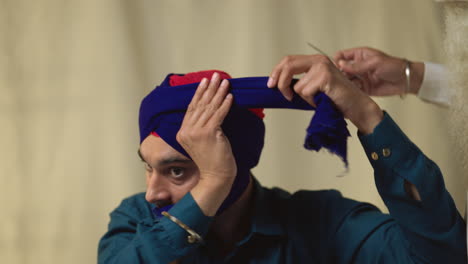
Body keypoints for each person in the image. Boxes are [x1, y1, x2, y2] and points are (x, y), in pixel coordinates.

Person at [98, 50, 466, 263]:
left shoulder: (321, 223)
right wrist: (209, 186)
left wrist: (367, 115)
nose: (152, 193)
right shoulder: (135, 220)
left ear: (235, 165)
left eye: (176, 171)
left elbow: (440, 257)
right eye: (148, 168)